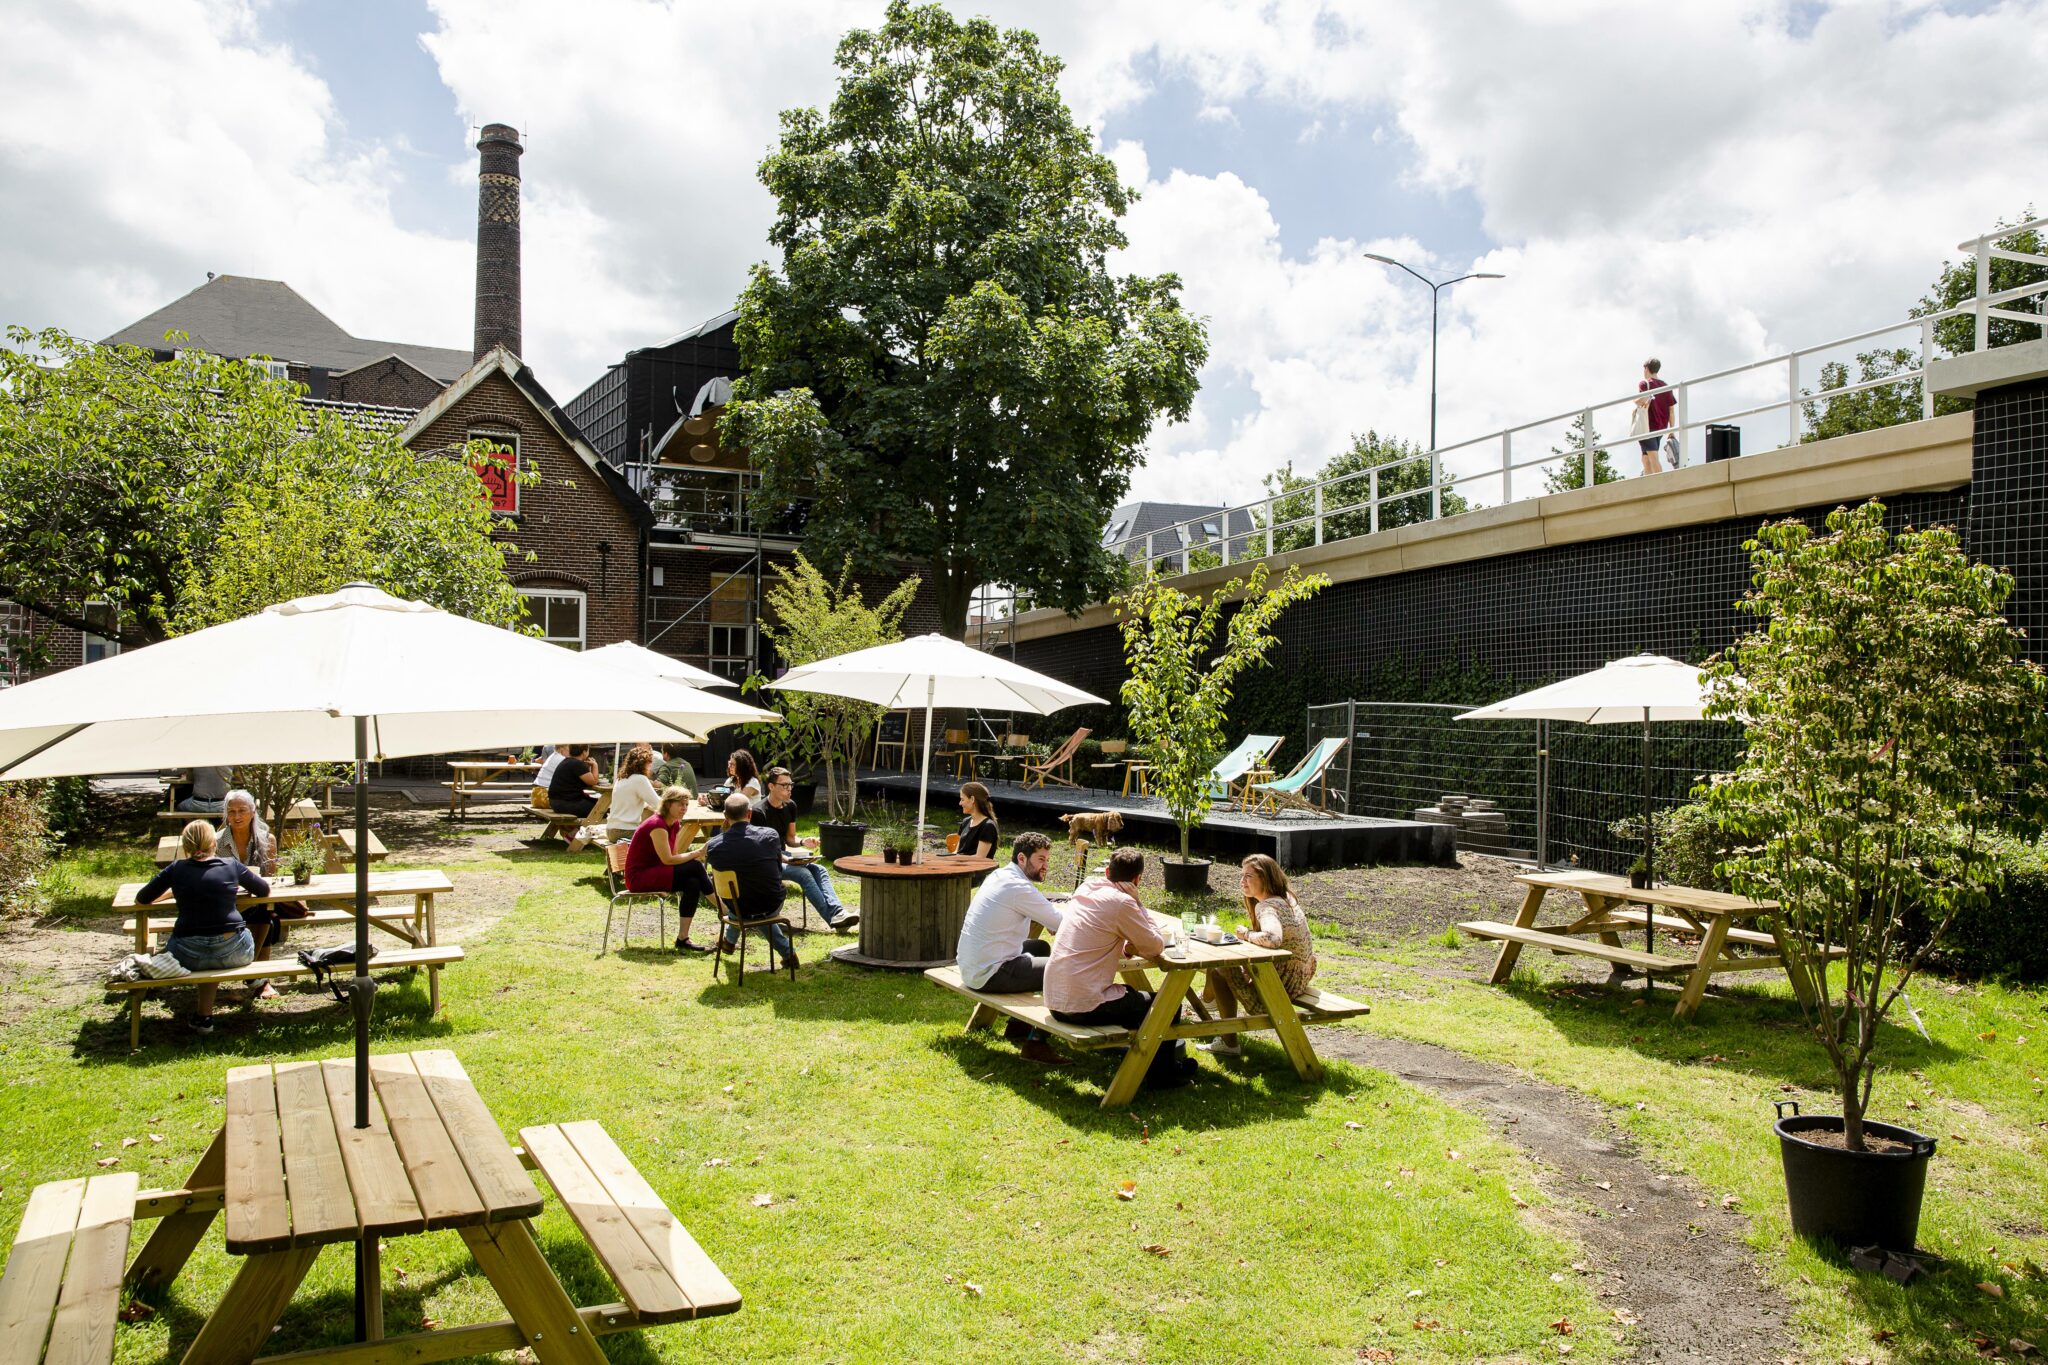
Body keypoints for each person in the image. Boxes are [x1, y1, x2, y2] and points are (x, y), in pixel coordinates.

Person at [1046, 847, 1197, 1088]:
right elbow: (1155, 946)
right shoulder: (1123, 903)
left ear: (1107, 871)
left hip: (1054, 999)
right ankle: (1163, 1075)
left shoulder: (1086, 888)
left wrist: (1126, 944)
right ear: (1137, 879)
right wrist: (1138, 903)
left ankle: (1151, 1061)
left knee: (1133, 997)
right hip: (1083, 1006)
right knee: (1168, 1004)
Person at [133, 820, 268, 1031]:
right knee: (255, 920)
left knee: (206, 947)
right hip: (235, 953)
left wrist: (172, 890)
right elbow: (263, 890)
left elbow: (143, 897)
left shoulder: (176, 869)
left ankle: (204, 1017)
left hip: (187, 955)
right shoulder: (231, 866)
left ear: (185, 846)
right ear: (214, 843)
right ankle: (253, 976)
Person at [955, 831, 1067, 1065]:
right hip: (991, 973)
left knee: (1039, 947)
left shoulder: (1001, 875)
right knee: (1062, 970)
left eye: (1047, 860)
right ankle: (1036, 1044)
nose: (1045, 866)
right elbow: (1061, 923)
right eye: (1041, 860)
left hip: (972, 965)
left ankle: (1018, 1027)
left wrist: (1053, 919)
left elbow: (1050, 918)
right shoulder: (1018, 888)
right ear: (1022, 859)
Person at [1201, 854, 1317, 1057]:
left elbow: (1273, 938)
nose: (1242, 881)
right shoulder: (1286, 898)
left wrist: (1246, 934)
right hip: (1300, 975)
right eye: (1242, 875)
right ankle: (1208, 1002)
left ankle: (1228, 1041)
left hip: (1281, 984)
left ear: (1266, 879)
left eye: (1249, 876)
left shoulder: (1268, 906)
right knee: (1216, 966)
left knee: (1218, 970)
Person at [752, 767, 859, 932]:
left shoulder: (790, 806)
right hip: (767, 862)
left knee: (820, 869)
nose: (789, 789)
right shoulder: (759, 812)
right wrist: (785, 859)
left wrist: (803, 841)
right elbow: (760, 850)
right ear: (771, 787)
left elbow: (790, 838)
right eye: (784, 785)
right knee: (804, 874)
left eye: (790, 785)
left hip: (784, 856)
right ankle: (834, 920)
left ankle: (838, 913)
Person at [704, 792, 798, 972]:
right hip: (771, 901)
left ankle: (729, 942)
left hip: (737, 906)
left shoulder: (714, 846)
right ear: (749, 814)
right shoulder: (770, 836)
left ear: (725, 816)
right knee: (759, 907)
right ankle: (788, 954)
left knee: (742, 902)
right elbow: (777, 870)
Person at [215, 789, 293, 1000]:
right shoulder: (215, 841)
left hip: (257, 900)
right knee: (264, 914)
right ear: (225, 814)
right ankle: (257, 977)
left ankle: (258, 978)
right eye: (231, 812)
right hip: (226, 902)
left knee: (265, 910)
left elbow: (269, 879)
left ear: (252, 812)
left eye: (242, 810)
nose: (237, 816)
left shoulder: (267, 839)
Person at [624, 785, 716, 954]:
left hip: (656, 871)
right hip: (639, 877)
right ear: (667, 805)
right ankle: (723, 908)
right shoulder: (657, 825)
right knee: (695, 866)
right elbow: (668, 860)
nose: (684, 808)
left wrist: (693, 856)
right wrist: (697, 853)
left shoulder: (673, 824)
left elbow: (673, 857)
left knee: (693, 882)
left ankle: (683, 938)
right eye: (680, 804)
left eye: (686, 804)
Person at [608, 746, 664, 844]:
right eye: (650, 762)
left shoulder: (621, 779)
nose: (651, 765)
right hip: (626, 831)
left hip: (611, 830)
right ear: (643, 763)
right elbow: (658, 804)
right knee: (660, 835)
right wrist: (674, 802)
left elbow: (632, 801)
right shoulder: (640, 779)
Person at [1636, 357, 1676, 477]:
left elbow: (1641, 401)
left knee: (1653, 458)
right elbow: (1671, 411)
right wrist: (1671, 430)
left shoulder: (1645, 384)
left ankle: (1661, 484)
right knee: (1645, 458)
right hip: (1661, 428)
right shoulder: (1666, 386)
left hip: (1647, 426)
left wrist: (1634, 400)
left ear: (1646, 369)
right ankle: (1649, 483)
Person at [548, 744, 599, 819]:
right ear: (584, 752)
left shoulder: (566, 761)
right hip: (566, 804)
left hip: (556, 803)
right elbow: (594, 781)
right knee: (600, 810)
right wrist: (595, 765)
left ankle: (574, 830)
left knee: (597, 803)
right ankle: (576, 831)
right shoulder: (577, 764)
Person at [954, 782, 999, 860]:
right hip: (959, 867)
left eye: (962, 799)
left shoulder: (988, 826)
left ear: (972, 799)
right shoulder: (965, 822)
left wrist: (957, 859)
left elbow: (979, 858)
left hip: (976, 871)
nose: (960, 803)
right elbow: (957, 852)